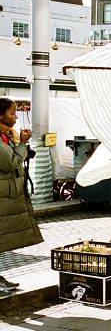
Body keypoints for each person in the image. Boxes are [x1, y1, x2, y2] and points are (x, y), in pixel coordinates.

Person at [0, 98, 44, 290]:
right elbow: (8, 163)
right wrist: (22, 144)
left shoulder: (7, 134)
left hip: (6, 196)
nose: (16, 117)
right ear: (0, 115)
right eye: (12, 113)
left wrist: (23, 147)